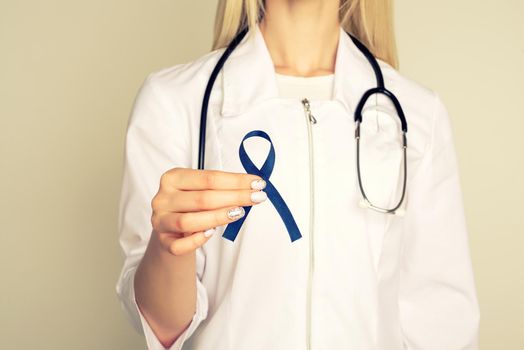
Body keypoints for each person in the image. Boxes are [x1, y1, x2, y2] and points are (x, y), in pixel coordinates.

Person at [115, 0, 480, 349]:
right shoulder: (175, 102)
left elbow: (441, 320)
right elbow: (161, 327)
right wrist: (169, 245)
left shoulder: (416, 113)